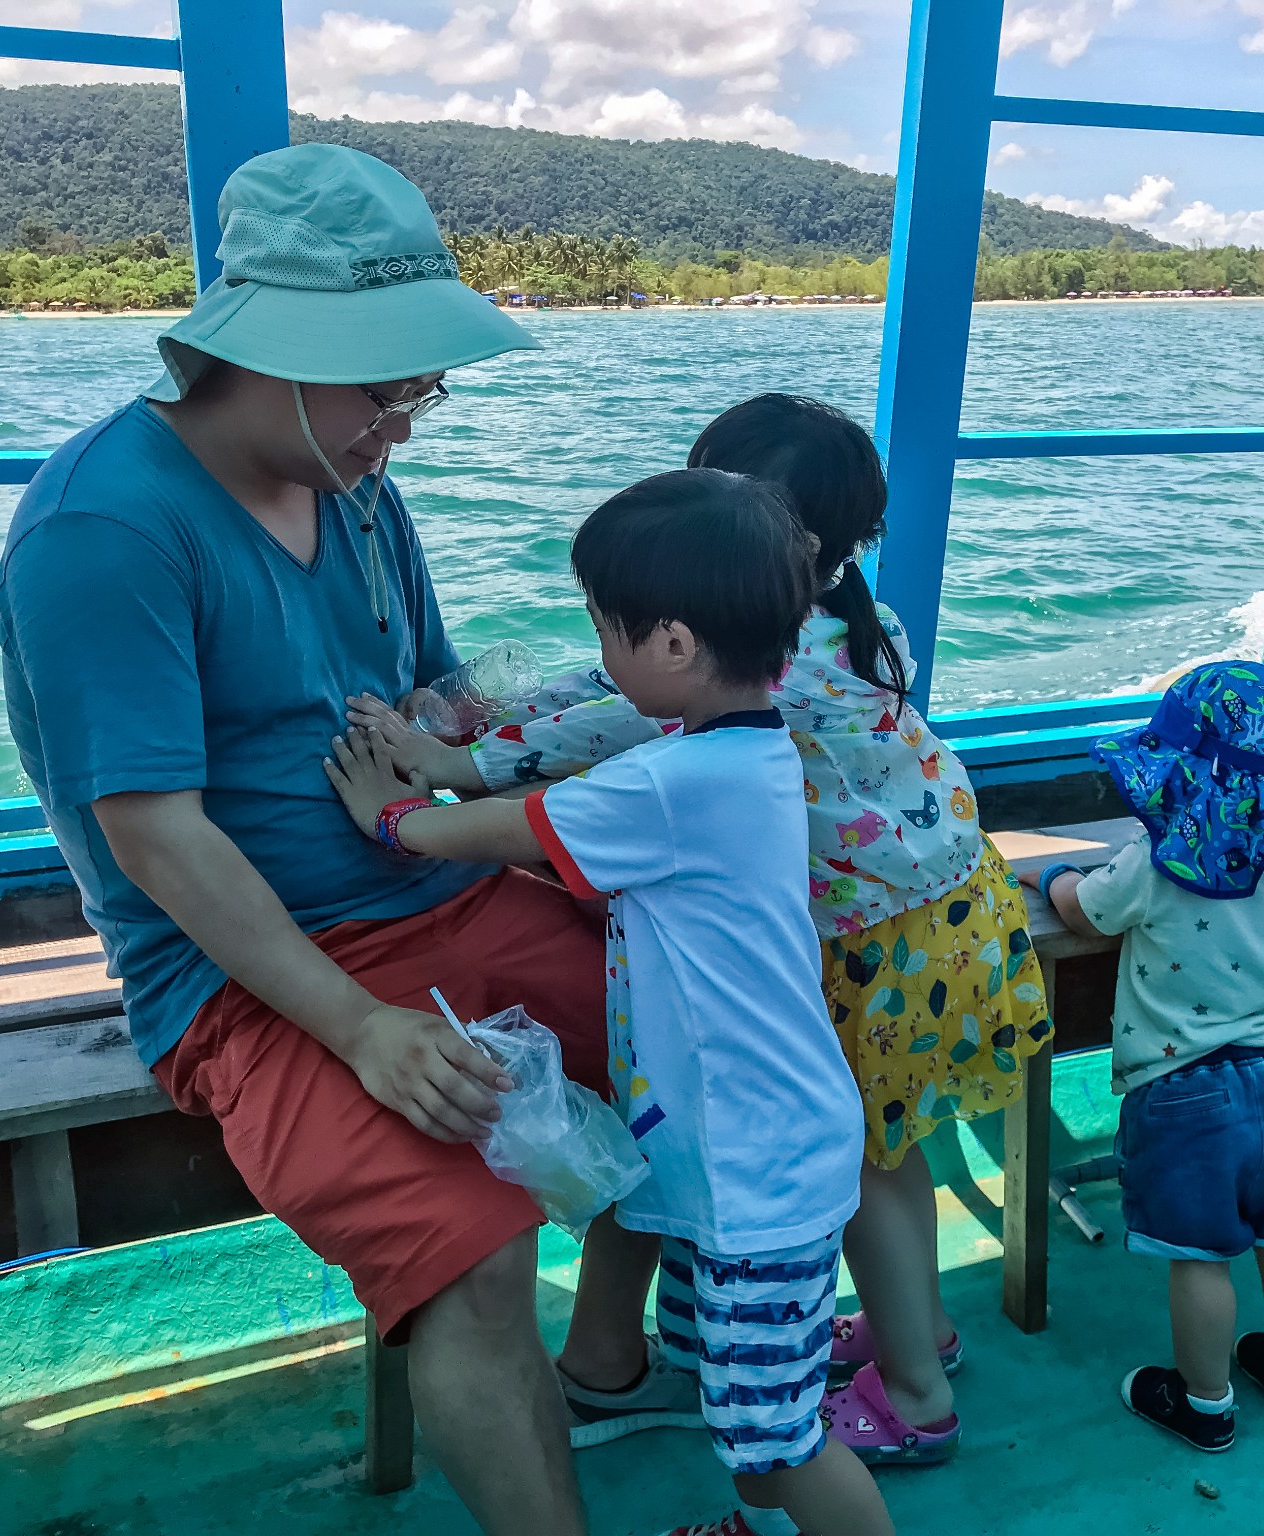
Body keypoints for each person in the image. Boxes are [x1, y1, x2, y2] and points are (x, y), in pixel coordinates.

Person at [0, 143, 683, 1536]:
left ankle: (607, 1355)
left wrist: (535, 786)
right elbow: (156, 839)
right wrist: (361, 1029)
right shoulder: (102, 531)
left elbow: (438, 693)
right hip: (258, 971)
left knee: (694, 1023)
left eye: (417, 386)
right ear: (277, 356)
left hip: (434, 876)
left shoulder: (354, 478)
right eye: (390, 386)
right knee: (476, 1263)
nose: (409, 423)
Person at [350, 394, 1053, 1462]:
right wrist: (491, 718)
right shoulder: (853, 614)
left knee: (865, 1162)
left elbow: (616, 712)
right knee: (888, 1151)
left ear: (786, 544)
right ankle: (915, 1331)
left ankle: (912, 1388)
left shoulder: (774, 670)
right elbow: (614, 685)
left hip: (878, 942)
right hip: (949, 909)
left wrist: (451, 768)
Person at [325, 467, 894, 1536]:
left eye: (604, 627)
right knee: (741, 1403)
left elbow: (516, 827)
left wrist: (394, 819)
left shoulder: (675, 784)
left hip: (756, 1176)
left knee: (780, 1435)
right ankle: (757, 1524)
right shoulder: (730, 750)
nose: (597, 651)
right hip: (749, 1153)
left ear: (674, 646)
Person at [1038, 661, 1264, 1453]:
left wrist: (1056, 874)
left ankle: (1205, 1402)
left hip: (1185, 1093)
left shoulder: (1155, 859)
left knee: (1202, 1260)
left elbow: (1087, 910)